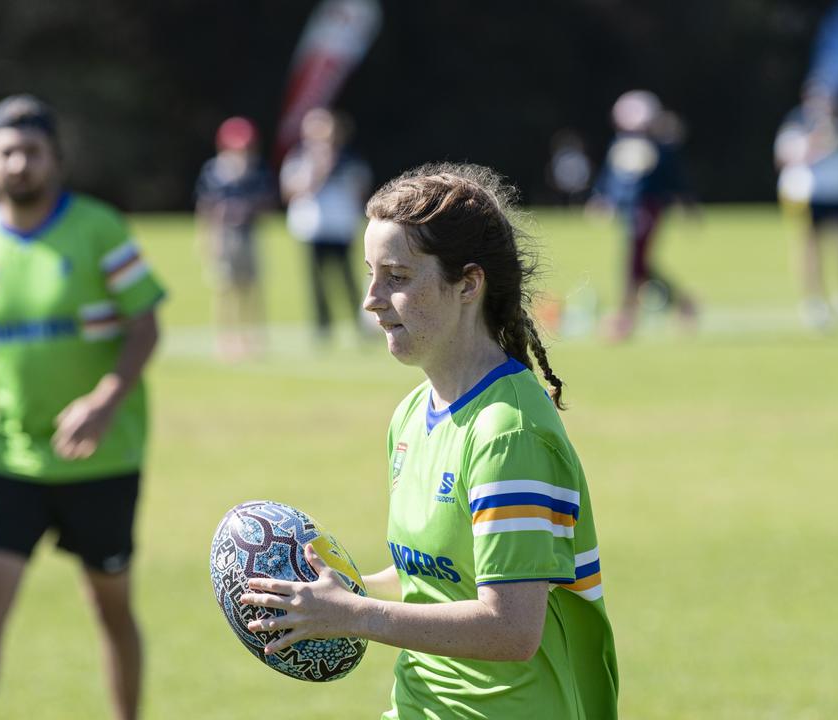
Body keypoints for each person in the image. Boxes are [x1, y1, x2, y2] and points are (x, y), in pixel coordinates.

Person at [240, 164, 618, 719]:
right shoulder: (414, 414)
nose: (371, 299)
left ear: (467, 284)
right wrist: (332, 593)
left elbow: (512, 628)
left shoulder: (507, 433)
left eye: (397, 277)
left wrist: (352, 616)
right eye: (370, 273)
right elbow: (431, 578)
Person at [0, 95, 165, 720]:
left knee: (109, 607)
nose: (19, 163)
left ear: (56, 160)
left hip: (102, 457)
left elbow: (145, 325)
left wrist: (106, 399)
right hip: (11, 456)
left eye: (32, 151)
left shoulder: (99, 229)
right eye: (5, 152)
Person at [589, 90, 698, 342]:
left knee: (634, 264)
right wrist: (603, 197)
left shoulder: (659, 148)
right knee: (642, 265)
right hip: (630, 211)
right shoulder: (619, 145)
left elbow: (673, 179)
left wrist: (686, 204)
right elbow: (611, 178)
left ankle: (626, 318)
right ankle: (683, 303)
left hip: (648, 209)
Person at [774, 84, 838, 330]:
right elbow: (786, 156)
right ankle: (814, 301)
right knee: (809, 246)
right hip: (810, 194)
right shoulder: (797, 123)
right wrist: (817, 140)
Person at [279, 107, 371, 344]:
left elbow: (361, 187)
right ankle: (322, 327)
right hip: (312, 229)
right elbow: (291, 190)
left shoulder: (349, 158)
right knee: (316, 282)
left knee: (347, 278)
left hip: (341, 227)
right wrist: (319, 165)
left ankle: (358, 324)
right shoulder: (299, 157)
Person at [195, 116, 273, 359]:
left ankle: (253, 336)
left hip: (248, 234)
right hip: (223, 234)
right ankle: (225, 338)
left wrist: (248, 208)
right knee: (224, 288)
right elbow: (204, 207)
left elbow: (267, 203)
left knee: (250, 287)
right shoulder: (213, 171)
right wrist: (205, 238)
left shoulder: (256, 170)